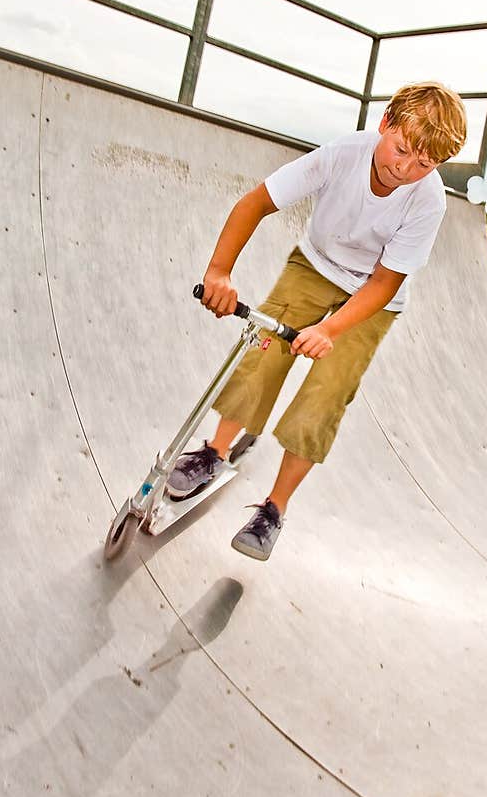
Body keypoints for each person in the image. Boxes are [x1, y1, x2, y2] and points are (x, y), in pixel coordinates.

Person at [167, 81, 468, 561]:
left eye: (423, 164)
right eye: (402, 150)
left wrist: (329, 330)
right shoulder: (343, 154)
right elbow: (256, 203)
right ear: (385, 123)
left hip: (373, 298)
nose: (404, 169)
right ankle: (215, 453)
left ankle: (273, 508)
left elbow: (384, 283)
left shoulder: (427, 200)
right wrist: (219, 271)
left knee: (325, 394)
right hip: (315, 265)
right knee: (263, 352)